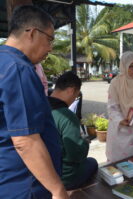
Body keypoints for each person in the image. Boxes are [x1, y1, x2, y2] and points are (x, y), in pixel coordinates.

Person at [0, 5, 68, 199]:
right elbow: (25, 141)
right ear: (31, 33)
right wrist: (57, 189)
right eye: (49, 39)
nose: (50, 48)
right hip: (25, 182)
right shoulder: (18, 68)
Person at [48, 72, 98, 190]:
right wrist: (84, 143)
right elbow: (74, 155)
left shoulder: (40, 106)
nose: (74, 100)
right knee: (93, 162)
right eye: (76, 96)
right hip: (64, 178)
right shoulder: (67, 116)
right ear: (71, 90)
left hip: (44, 174)